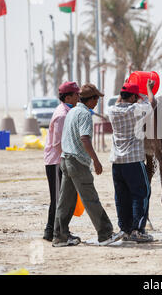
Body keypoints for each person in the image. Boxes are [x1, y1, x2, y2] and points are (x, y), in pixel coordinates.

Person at [53, 83, 122, 247]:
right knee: (91, 199)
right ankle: (105, 234)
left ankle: (60, 236)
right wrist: (96, 160)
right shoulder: (84, 114)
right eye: (96, 98)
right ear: (89, 99)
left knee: (65, 201)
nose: (97, 101)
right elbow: (84, 139)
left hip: (66, 160)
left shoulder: (72, 111)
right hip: (77, 162)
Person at [108, 80, 156, 243]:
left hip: (116, 162)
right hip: (134, 160)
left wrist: (130, 92)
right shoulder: (137, 109)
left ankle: (125, 229)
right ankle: (138, 229)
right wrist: (148, 89)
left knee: (121, 196)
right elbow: (152, 103)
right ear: (134, 97)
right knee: (141, 193)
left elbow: (118, 102)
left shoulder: (112, 110)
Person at [43, 81, 80, 242]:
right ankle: (55, 231)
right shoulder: (62, 115)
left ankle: (52, 231)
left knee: (60, 198)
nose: (79, 97)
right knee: (59, 199)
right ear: (68, 96)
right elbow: (58, 143)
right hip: (57, 161)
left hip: (60, 160)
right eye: (76, 94)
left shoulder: (67, 112)